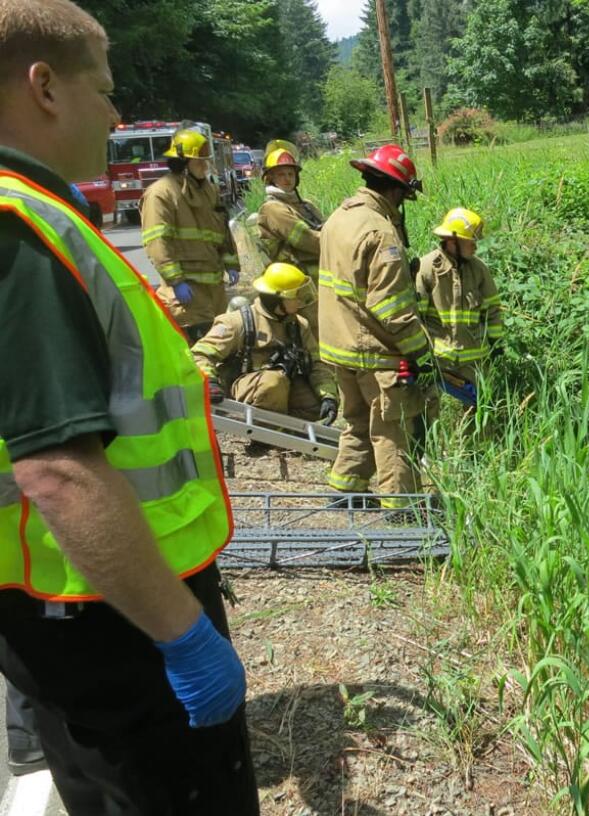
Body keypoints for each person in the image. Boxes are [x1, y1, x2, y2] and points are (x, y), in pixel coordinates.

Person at [0, 1, 258, 812]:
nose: (115, 113)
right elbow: (58, 471)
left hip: (89, 601)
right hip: (108, 618)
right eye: (104, 90)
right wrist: (182, 634)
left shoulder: (41, 217)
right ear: (44, 87)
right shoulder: (22, 232)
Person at [318, 144, 432, 509]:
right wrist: (422, 353)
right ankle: (401, 510)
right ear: (395, 190)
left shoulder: (339, 216)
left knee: (356, 420)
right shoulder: (380, 232)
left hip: (338, 345)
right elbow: (392, 308)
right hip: (374, 352)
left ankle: (345, 488)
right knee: (393, 429)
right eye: (403, 198)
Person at [192, 261, 337, 425]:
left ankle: (286, 430)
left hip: (282, 385)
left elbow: (316, 364)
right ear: (277, 299)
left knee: (313, 403)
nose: (299, 301)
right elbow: (200, 354)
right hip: (245, 386)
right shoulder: (237, 323)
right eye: (295, 296)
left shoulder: (299, 325)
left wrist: (328, 396)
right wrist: (209, 382)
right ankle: (264, 427)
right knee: (273, 383)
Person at [140, 121, 240, 341]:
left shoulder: (208, 190)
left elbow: (221, 230)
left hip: (215, 291)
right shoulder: (161, 194)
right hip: (187, 295)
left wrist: (231, 264)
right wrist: (176, 281)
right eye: (199, 161)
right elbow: (158, 241)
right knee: (196, 354)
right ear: (183, 162)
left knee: (220, 348)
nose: (205, 166)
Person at [415, 206, 505, 410]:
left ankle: (477, 442)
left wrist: (496, 344)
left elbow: (492, 310)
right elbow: (415, 317)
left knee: (482, 410)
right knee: (427, 411)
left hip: (474, 363)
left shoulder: (479, 269)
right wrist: (420, 357)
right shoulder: (427, 268)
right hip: (438, 362)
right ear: (452, 240)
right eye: (471, 240)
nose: (475, 246)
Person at [256, 139, 324, 329]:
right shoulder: (273, 209)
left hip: (318, 282)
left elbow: (326, 228)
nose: (287, 179)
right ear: (270, 178)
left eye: (291, 173)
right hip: (294, 287)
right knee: (311, 331)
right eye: (281, 174)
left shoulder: (306, 205)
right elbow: (308, 241)